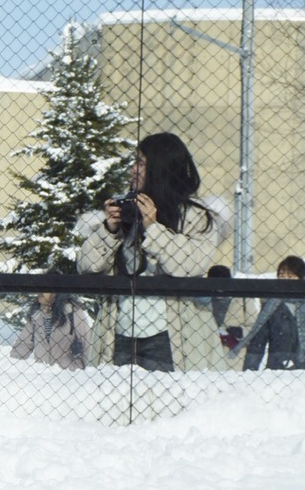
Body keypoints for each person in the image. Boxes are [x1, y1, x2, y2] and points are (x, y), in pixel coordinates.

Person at [75, 132, 228, 371]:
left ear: (162, 168)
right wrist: (109, 229)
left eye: (141, 163)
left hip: (172, 336)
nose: (133, 170)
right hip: (118, 334)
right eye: (134, 162)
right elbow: (86, 266)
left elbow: (189, 265)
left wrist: (153, 228)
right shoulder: (126, 213)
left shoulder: (196, 217)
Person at [242, 255, 305, 373]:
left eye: (290, 277)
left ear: (302, 279)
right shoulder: (271, 306)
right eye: (281, 277)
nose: (285, 281)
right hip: (279, 371)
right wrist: (249, 370)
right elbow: (258, 341)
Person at [11, 290, 91, 369]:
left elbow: (87, 344)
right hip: (42, 374)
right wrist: (13, 365)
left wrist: (87, 373)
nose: (40, 292)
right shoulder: (35, 314)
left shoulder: (73, 312)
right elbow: (24, 344)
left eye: (46, 288)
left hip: (69, 374)